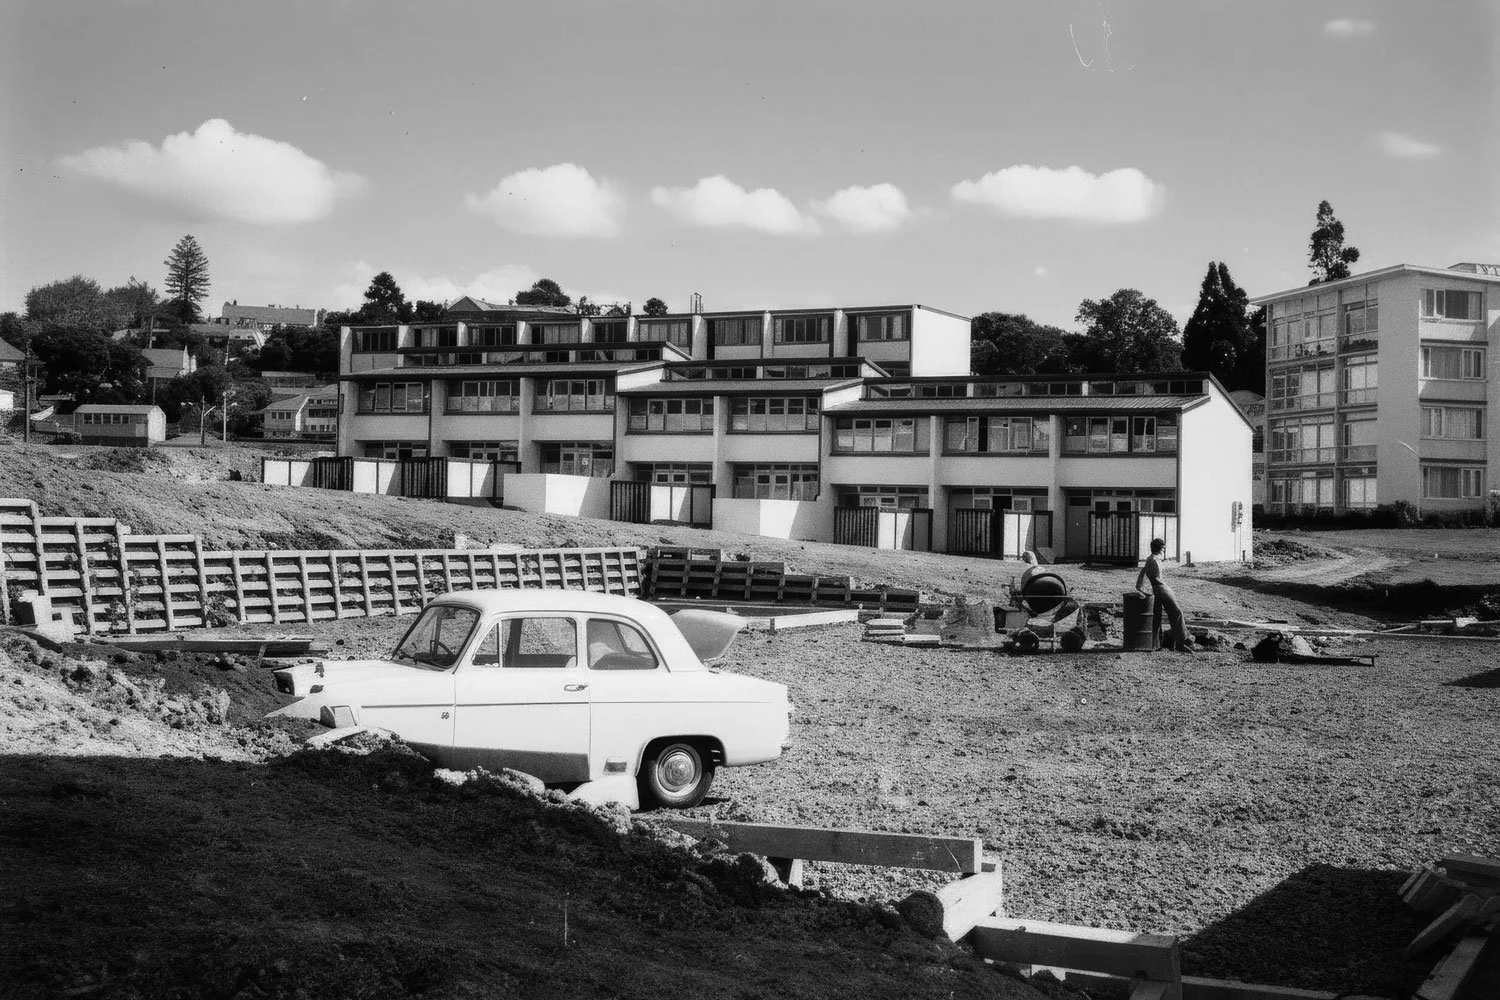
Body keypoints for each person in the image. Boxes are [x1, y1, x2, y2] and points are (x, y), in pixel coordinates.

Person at [1136, 537, 1192, 653]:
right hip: (1160, 588)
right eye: (1163, 548)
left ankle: (1155, 645)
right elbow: (1148, 575)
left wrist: (1140, 587)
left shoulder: (1152, 559)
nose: (1164, 551)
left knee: (1156, 617)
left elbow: (1143, 573)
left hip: (1155, 589)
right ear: (1160, 549)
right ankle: (1181, 642)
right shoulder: (1154, 560)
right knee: (1176, 613)